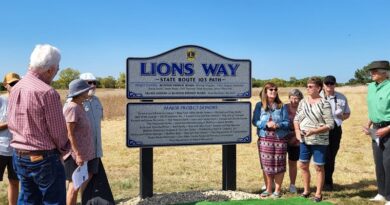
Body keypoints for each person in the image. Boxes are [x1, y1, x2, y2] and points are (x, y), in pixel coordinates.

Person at [7, 44, 70, 204]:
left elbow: (12, 121)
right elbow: (58, 132)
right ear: (49, 70)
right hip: (44, 157)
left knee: (28, 199)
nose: (56, 72)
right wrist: (64, 150)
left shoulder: (16, 88)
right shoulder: (47, 92)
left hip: (19, 155)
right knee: (53, 201)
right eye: (57, 69)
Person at [294, 77, 334, 202]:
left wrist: (314, 131)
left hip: (319, 140)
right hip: (304, 140)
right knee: (303, 165)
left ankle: (318, 193)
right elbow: (296, 119)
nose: (308, 88)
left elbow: (330, 124)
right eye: (307, 86)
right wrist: (297, 131)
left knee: (318, 167)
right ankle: (306, 190)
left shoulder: (324, 103)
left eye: (311, 86)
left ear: (318, 88)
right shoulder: (303, 102)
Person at [63, 79, 97, 205]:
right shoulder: (72, 108)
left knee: (81, 183)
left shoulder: (80, 106)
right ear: (80, 93)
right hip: (75, 155)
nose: (89, 91)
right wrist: (77, 154)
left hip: (85, 153)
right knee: (74, 187)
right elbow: (69, 133)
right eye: (86, 90)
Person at [253, 82, 290, 198]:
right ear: (265, 92)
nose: (273, 91)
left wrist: (278, 125)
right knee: (267, 165)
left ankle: (277, 191)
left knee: (279, 164)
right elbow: (255, 121)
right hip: (265, 138)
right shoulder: (259, 105)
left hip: (279, 139)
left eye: (275, 89)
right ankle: (268, 189)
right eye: (271, 90)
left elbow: (287, 123)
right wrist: (266, 124)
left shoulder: (281, 106)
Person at [362, 60, 390, 204]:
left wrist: (387, 129)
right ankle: (381, 193)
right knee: (378, 162)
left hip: (388, 129)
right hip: (375, 129)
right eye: (370, 71)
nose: (371, 73)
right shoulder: (372, 87)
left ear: (385, 73)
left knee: (388, 163)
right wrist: (369, 124)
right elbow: (373, 108)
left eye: (375, 71)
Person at [321, 75, 351, 191]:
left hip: (335, 130)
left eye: (331, 83)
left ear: (335, 84)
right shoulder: (318, 97)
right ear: (323, 85)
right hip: (321, 129)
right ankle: (321, 181)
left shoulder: (342, 97)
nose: (329, 86)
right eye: (327, 83)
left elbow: (348, 113)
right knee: (322, 156)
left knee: (331, 156)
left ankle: (328, 182)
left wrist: (342, 117)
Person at [0, 72, 20, 205]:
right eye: (12, 83)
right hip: (1, 148)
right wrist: (11, 122)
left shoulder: (22, 101)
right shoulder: (1, 100)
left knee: (14, 182)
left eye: (18, 83)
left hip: (17, 150)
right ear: (5, 85)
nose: (15, 86)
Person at [285, 88, 304, 193]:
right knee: (278, 163)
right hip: (283, 138)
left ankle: (292, 185)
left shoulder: (303, 108)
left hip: (296, 139)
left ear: (300, 99)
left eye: (296, 98)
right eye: (292, 98)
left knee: (293, 163)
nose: (294, 101)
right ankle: (273, 183)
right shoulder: (284, 107)